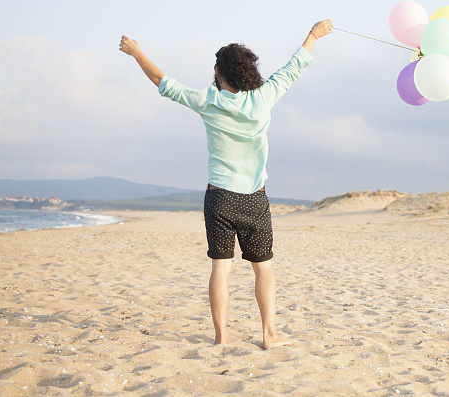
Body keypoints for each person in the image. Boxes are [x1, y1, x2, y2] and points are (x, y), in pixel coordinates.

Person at [118, 20, 333, 349]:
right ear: (247, 73)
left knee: (221, 269)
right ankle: (269, 335)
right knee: (264, 270)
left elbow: (163, 82)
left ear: (219, 72)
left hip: (219, 198)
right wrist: (313, 36)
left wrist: (136, 53)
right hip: (254, 199)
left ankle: (221, 338)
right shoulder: (263, 98)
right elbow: (294, 68)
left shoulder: (207, 101)